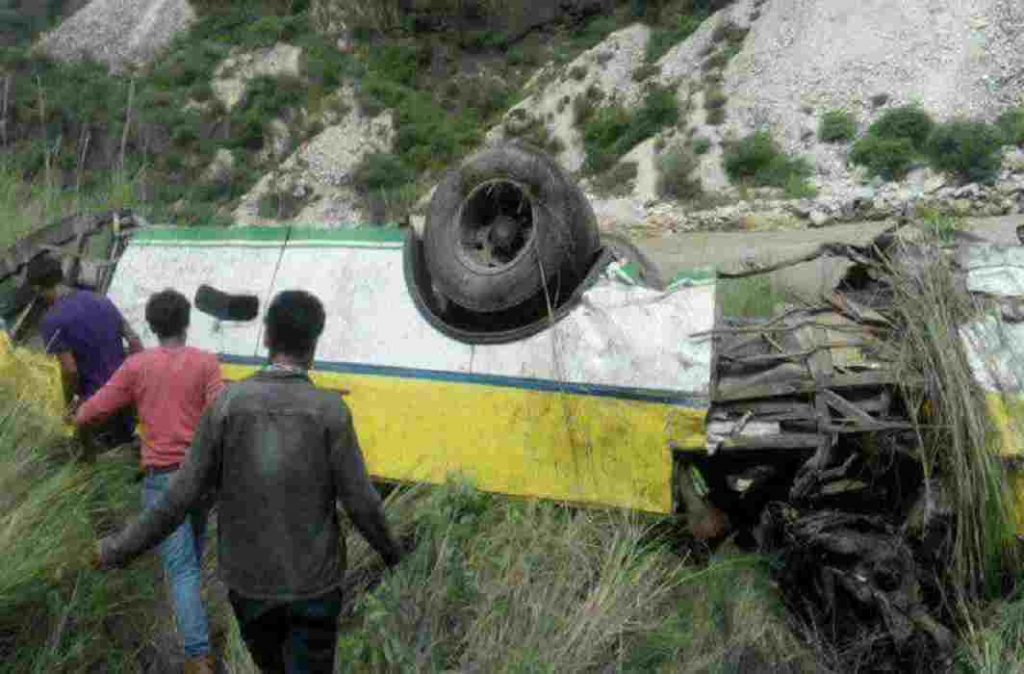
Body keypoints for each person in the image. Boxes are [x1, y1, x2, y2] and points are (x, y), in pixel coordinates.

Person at [96, 290, 403, 673]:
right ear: (313, 345)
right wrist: (392, 553)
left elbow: (179, 497)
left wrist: (116, 550)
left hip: (250, 586)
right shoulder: (330, 412)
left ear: (266, 338)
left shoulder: (227, 406)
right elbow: (362, 504)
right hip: (314, 585)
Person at [76, 289, 223, 674]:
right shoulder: (207, 364)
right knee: (193, 554)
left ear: (153, 327)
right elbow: (220, 415)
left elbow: (98, 407)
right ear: (186, 323)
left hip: (163, 480)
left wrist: (73, 418)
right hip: (202, 477)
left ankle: (197, 655)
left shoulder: (137, 366)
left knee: (182, 568)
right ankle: (198, 634)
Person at [26, 253, 143, 447]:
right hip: (129, 395)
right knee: (135, 452)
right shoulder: (101, 300)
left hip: (98, 404)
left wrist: (69, 403)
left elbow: (70, 370)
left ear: (37, 288)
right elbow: (135, 342)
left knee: (93, 457)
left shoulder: (52, 320)